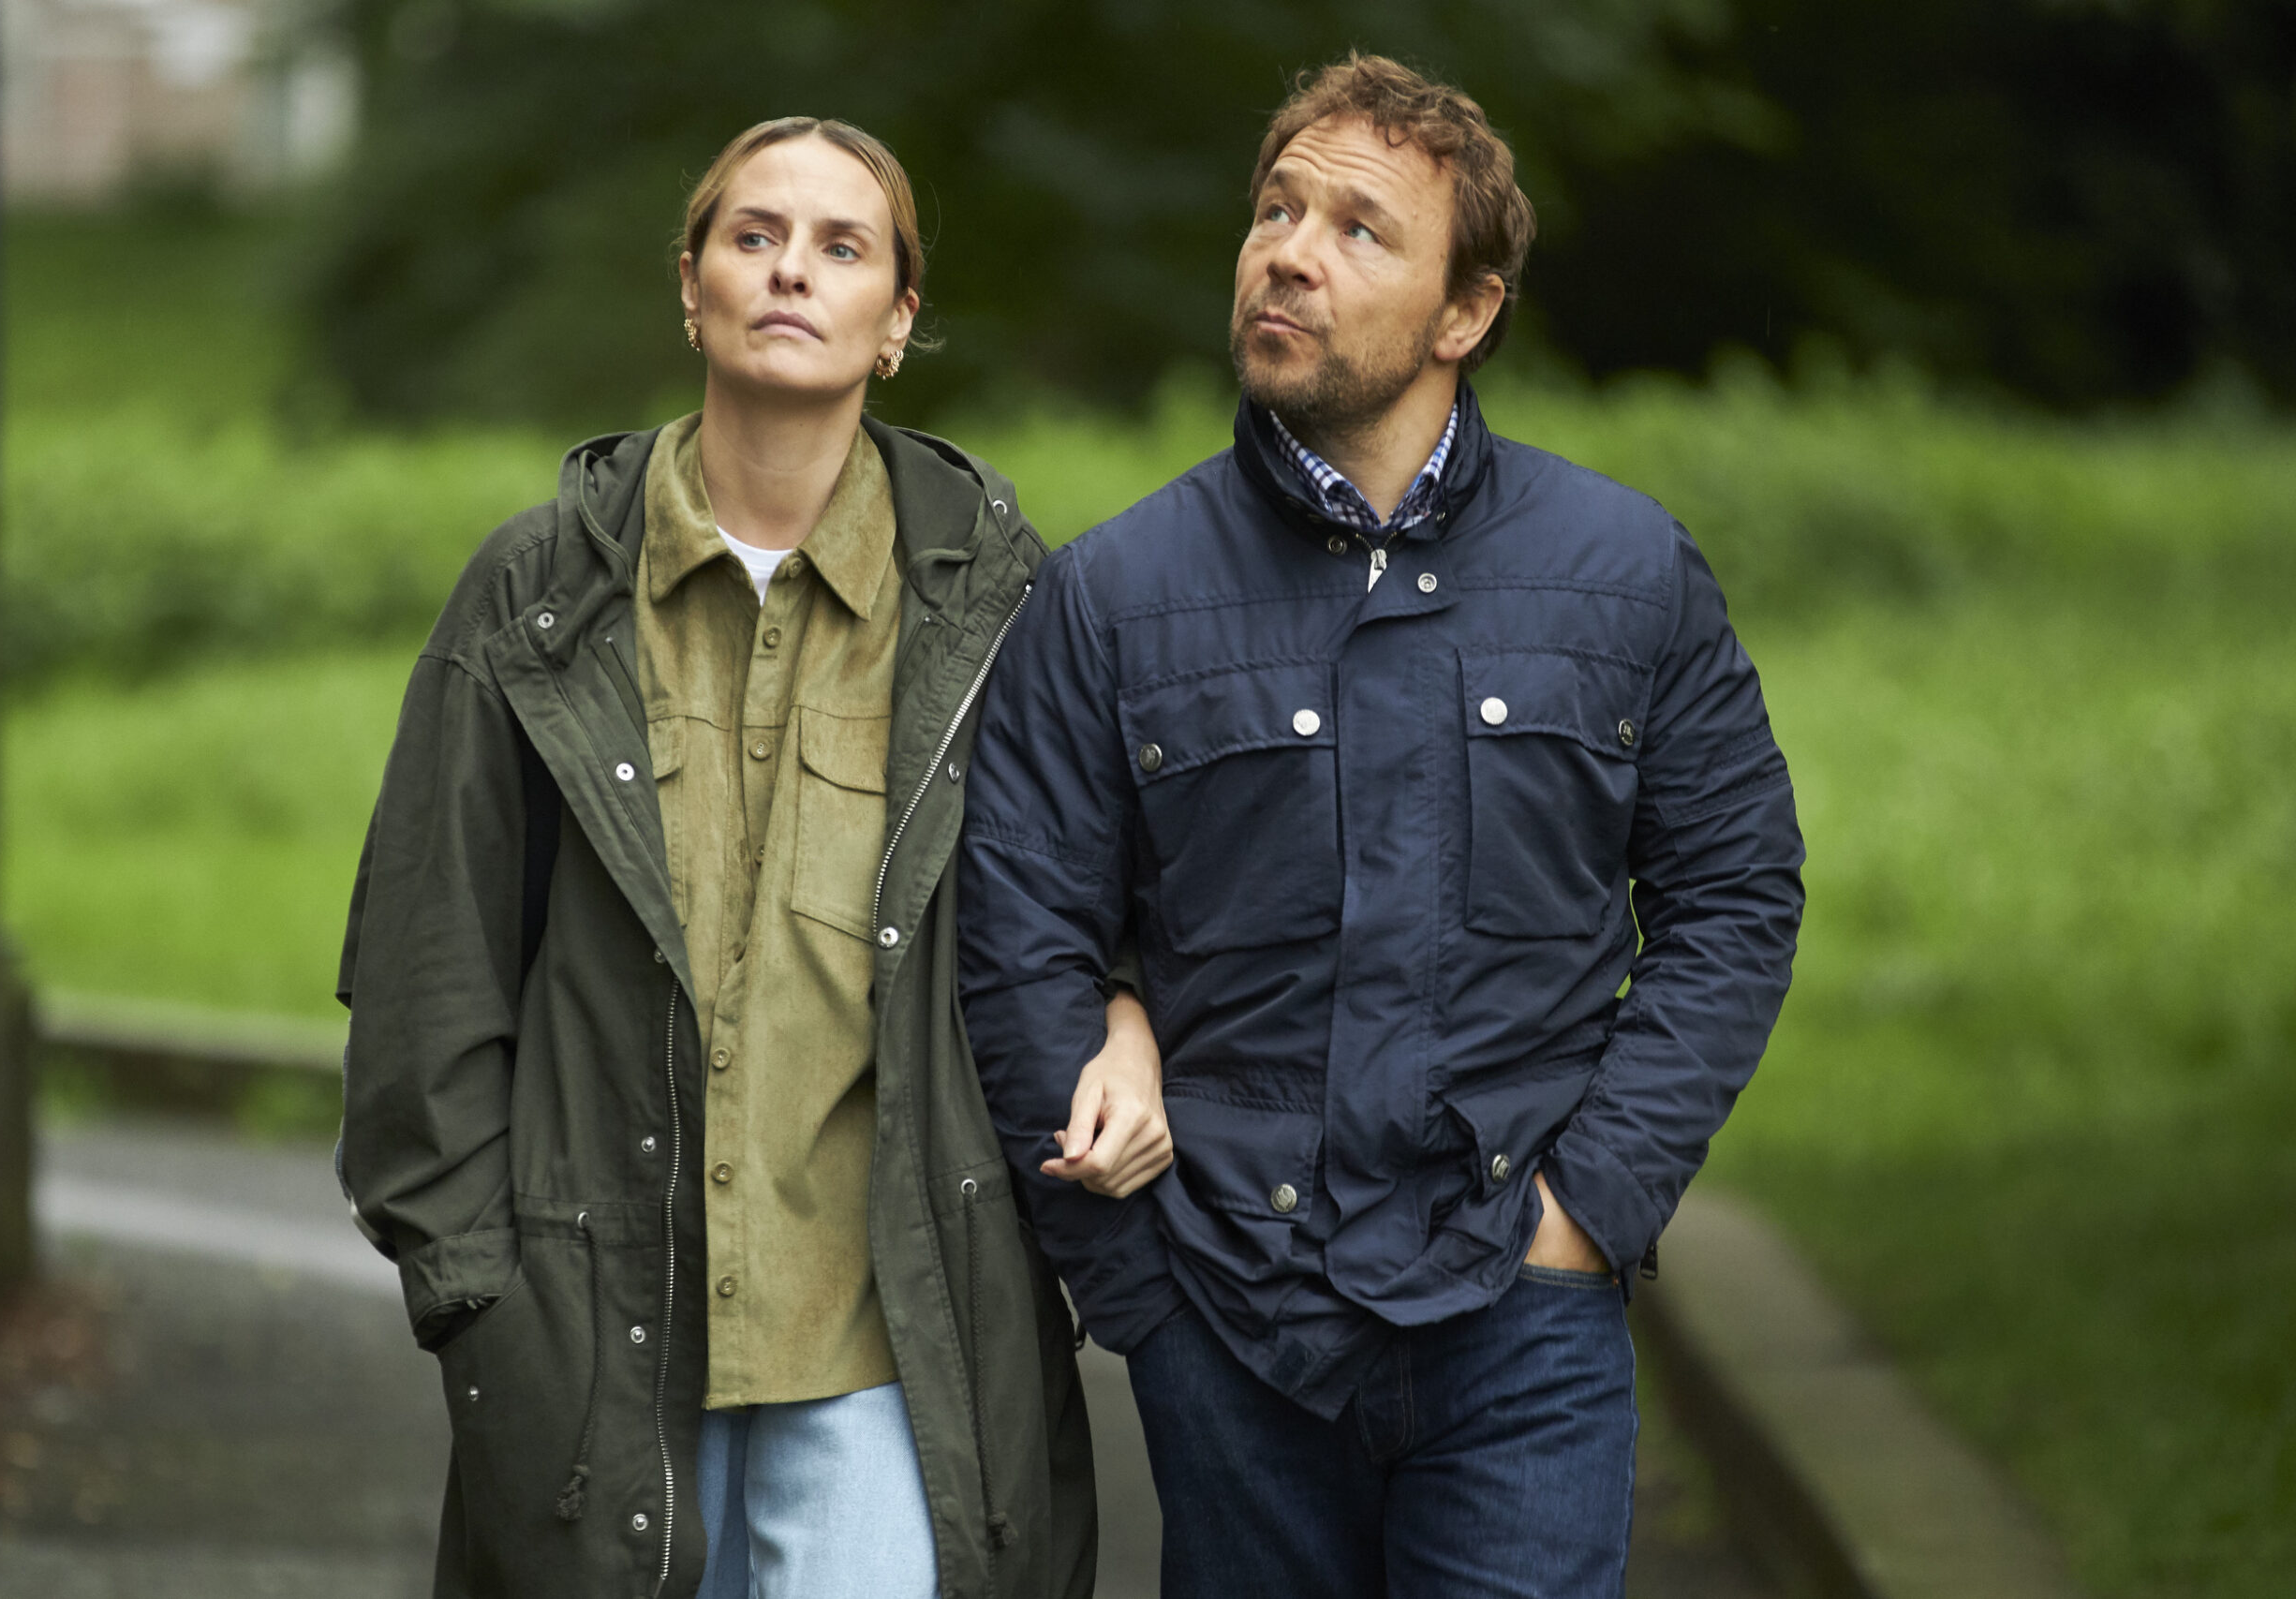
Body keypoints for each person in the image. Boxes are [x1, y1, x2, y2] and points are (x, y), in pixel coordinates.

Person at [956, 53, 1806, 1599]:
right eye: (1276, 207)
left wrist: (1590, 1212)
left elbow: (1736, 898)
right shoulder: (1112, 597)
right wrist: (1137, 1295)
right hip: (1231, 1329)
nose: (1289, 249)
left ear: (1464, 313)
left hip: (1523, 1321)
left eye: (1358, 228)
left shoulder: (1626, 574)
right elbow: (1022, 942)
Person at [337, 116, 1171, 1599]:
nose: (793, 270)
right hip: (595, 1349)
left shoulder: (1001, 607)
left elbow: (1106, 905)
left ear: (898, 320)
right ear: (692, 286)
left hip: (881, 1354)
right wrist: (482, 1307)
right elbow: (425, 974)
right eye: (754, 235)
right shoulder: (536, 593)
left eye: (843, 247)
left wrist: (1126, 1019)